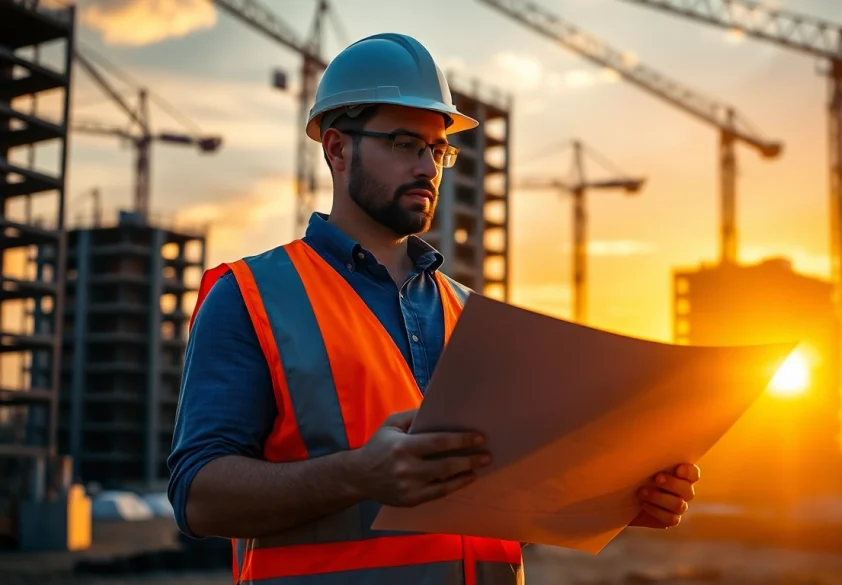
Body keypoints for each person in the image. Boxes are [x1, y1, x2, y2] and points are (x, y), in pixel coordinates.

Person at [167, 32, 701, 585]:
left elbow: (496, 506)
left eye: (437, 149)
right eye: (405, 143)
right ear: (337, 149)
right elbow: (198, 499)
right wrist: (357, 476)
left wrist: (609, 501)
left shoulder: (476, 317)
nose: (428, 166)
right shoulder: (252, 297)